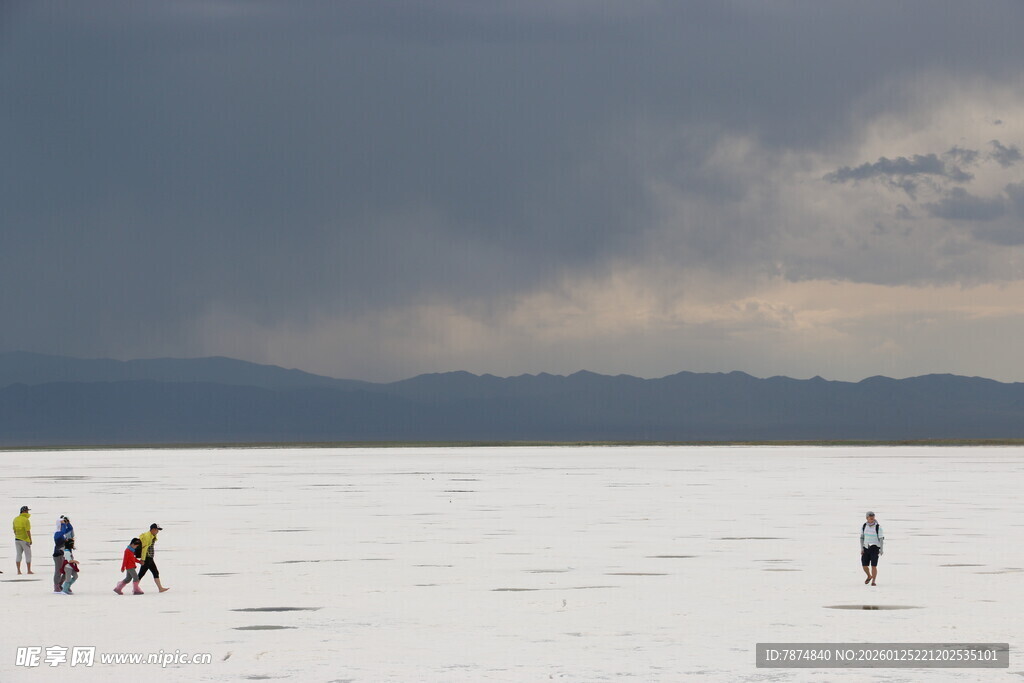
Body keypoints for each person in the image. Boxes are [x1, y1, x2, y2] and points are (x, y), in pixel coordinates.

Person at [138, 523, 169, 593]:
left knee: (155, 572)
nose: (158, 532)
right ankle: (134, 588)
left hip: (149, 557)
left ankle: (160, 588)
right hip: (147, 557)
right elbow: (144, 548)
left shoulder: (152, 536)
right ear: (153, 529)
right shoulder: (147, 536)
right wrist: (143, 559)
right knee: (141, 574)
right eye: (157, 530)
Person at [860, 511, 884, 586]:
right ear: (867, 518)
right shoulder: (864, 526)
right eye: (870, 517)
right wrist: (862, 548)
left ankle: (873, 581)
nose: (872, 519)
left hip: (875, 547)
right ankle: (869, 576)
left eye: (873, 517)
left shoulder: (878, 527)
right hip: (866, 547)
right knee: (864, 565)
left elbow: (881, 539)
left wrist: (881, 549)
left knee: (874, 565)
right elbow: (861, 538)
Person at [52, 516, 74, 593]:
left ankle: (61, 584)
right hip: (58, 555)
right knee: (58, 571)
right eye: (62, 523)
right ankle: (56, 586)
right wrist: (64, 524)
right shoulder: (57, 534)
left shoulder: (62, 533)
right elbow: (63, 531)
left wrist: (68, 523)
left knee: (67, 570)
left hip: (64, 554)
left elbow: (70, 529)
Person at [13, 505, 32, 575]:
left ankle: (18, 571)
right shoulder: (26, 520)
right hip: (25, 539)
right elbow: (28, 531)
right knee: (28, 554)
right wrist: (30, 539)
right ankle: (29, 570)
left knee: (18, 554)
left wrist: (17, 535)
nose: (28, 512)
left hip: (17, 539)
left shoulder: (15, 519)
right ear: (24, 511)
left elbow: (14, 530)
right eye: (27, 511)